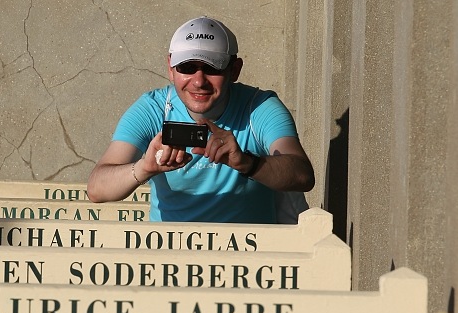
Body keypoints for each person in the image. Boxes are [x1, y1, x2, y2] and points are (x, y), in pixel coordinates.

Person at [87, 16, 315, 223]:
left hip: (249, 252)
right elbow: (96, 188)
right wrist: (144, 167)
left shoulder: (258, 107)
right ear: (170, 68)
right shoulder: (153, 109)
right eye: (187, 67)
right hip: (172, 252)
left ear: (234, 70)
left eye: (212, 68)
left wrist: (246, 163)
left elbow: (303, 175)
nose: (199, 81)